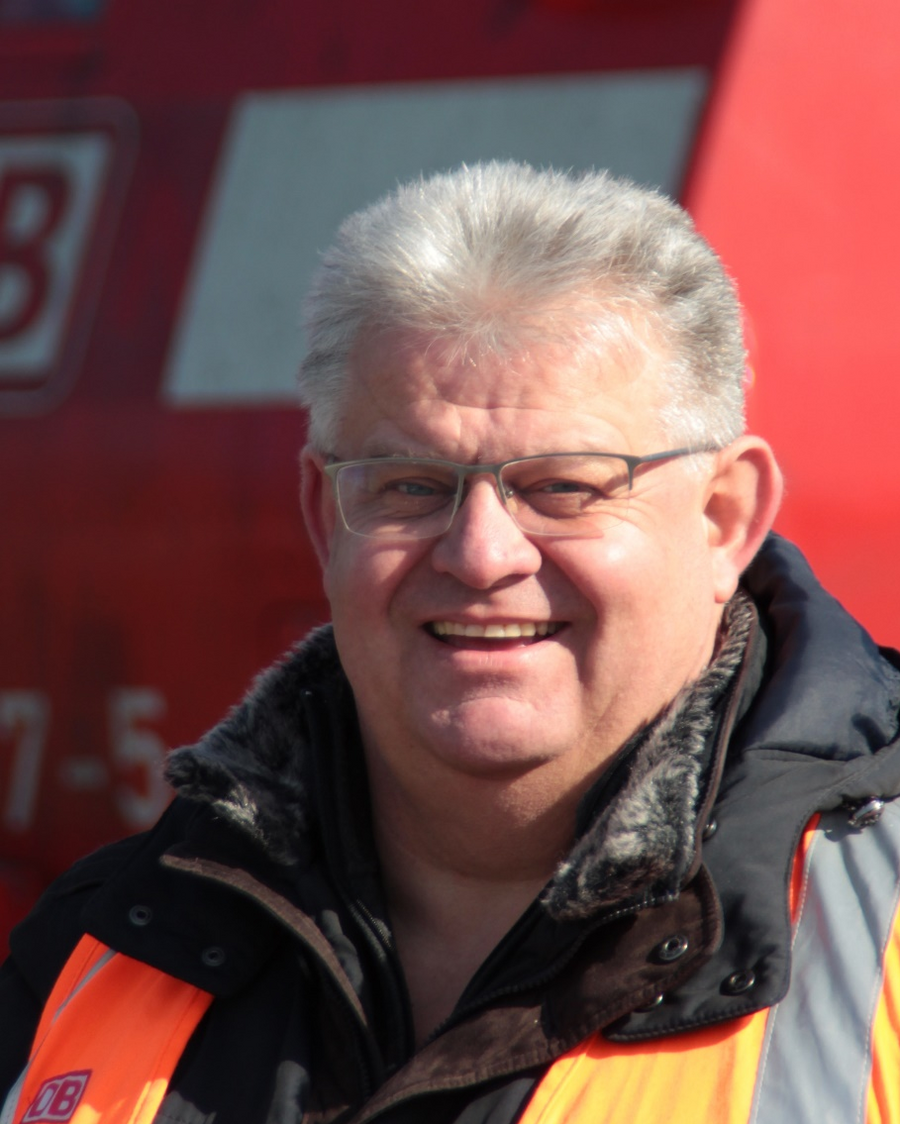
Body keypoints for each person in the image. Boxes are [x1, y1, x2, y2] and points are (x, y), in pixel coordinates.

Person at [2, 162, 900, 1124]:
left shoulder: (877, 928)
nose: (480, 554)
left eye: (564, 486)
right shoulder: (98, 955)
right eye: (410, 485)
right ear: (326, 518)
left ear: (724, 518)